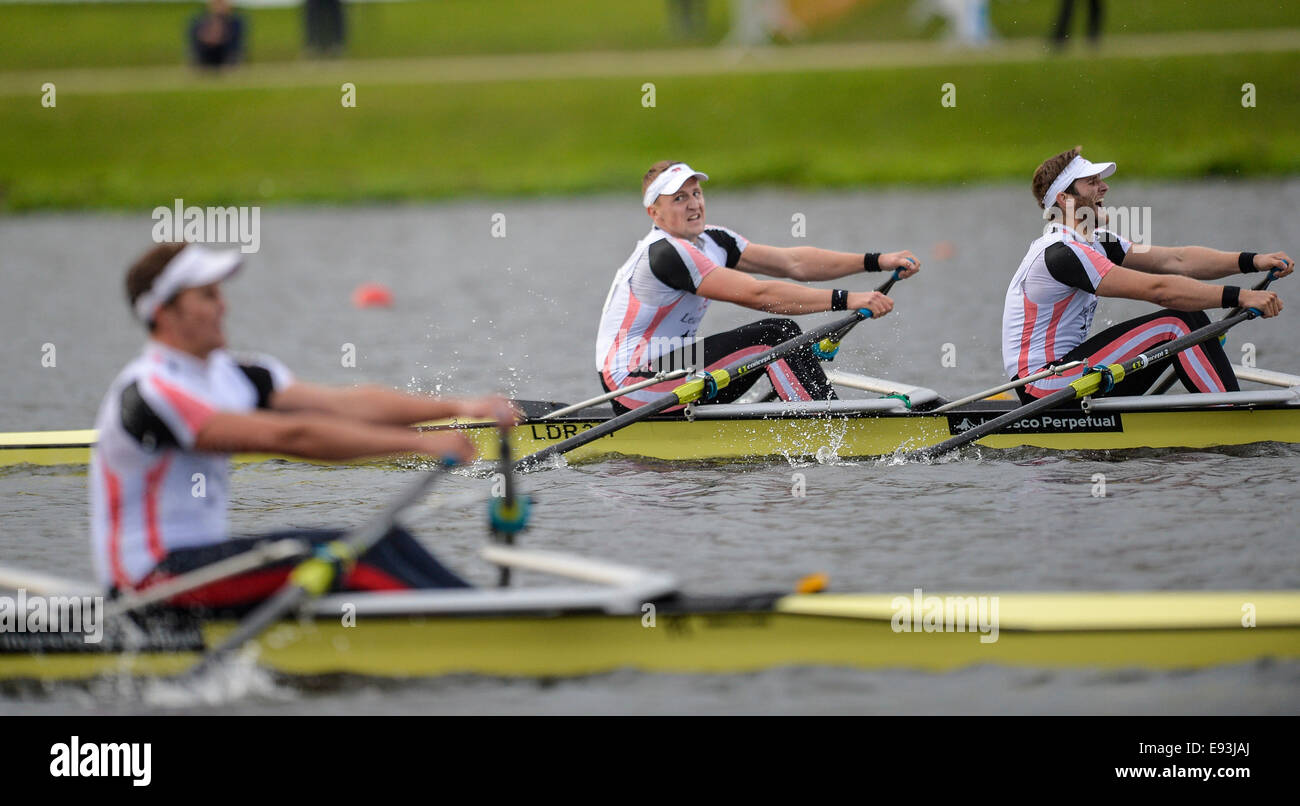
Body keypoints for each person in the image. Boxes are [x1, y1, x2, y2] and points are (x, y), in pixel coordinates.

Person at [91, 242, 516, 609]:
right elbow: (291, 436)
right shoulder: (152, 391)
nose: (224, 306)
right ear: (164, 312)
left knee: (383, 540)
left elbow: (348, 404)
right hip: (148, 582)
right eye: (206, 295)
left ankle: (488, 617)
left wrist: (458, 405)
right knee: (355, 556)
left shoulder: (235, 376)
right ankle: (494, 633)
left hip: (199, 565)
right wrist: (417, 445)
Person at [595, 161, 921, 413]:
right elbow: (758, 295)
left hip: (674, 368)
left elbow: (793, 263)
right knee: (775, 336)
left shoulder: (714, 240)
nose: (693, 204)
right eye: (679, 198)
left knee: (780, 339)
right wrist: (848, 299)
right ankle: (824, 426)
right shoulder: (666, 253)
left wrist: (876, 261)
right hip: (634, 383)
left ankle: (810, 411)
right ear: (655, 212)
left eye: (696, 193)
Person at [1003, 147, 1291, 403]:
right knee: (1179, 321)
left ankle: (1224, 406)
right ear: (1065, 200)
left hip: (1068, 373)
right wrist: (1240, 297)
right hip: (1043, 384)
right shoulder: (1061, 253)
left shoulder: (1098, 241)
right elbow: (1158, 290)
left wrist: (1253, 261)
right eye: (1092, 182)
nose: (1103, 188)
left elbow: (1175, 260)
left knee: (1188, 321)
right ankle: (1232, 417)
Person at [188, 0, 246, 69]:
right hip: (206, 53)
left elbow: (236, 43)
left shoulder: (236, 22)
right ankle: (200, 65)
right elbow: (195, 40)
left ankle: (229, 65)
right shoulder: (200, 21)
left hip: (225, 52)